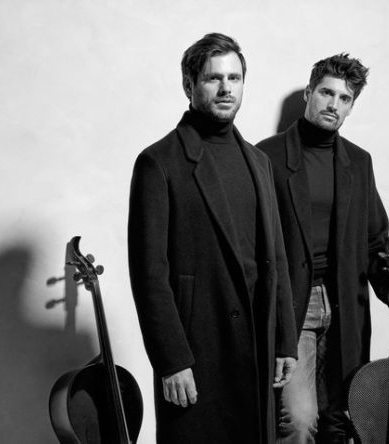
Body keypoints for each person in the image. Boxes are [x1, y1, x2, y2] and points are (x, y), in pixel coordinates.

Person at [127, 33, 298, 444]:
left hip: (256, 348)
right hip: (198, 352)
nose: (226, 88)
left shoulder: (258, 161)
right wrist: (171, 360)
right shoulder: (158, 162)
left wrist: (285, 340)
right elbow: (149, 275)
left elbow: (276, 256)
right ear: (189, 85)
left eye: (234, 78)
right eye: (213, 78)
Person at [256, 54, 389, 443]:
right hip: (293, 304)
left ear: (351, 106)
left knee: (341, 420)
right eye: (326, 93)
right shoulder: (266, 156)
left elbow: (375, 239)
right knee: (298, 419)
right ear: (309, 93)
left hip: (344, 303)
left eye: (344, 98)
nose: (333, 104)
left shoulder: (358, 162)